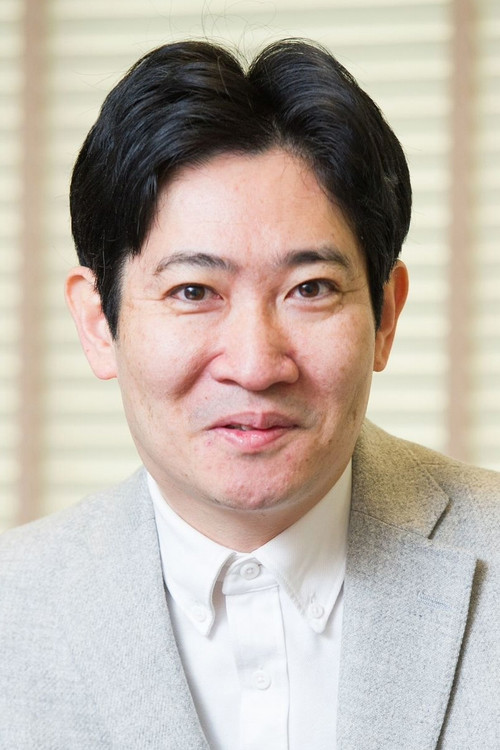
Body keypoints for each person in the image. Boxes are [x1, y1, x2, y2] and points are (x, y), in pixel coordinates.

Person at [1, 38, 498, 750]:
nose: (257, 365)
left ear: (386, 315)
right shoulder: (14, 609)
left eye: (310, 289)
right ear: (97, 323)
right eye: (193, 291)